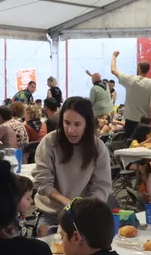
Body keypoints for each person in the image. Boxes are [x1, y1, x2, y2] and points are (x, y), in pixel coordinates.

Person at [32, 96, 111, 232]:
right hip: (51, 213)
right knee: (46, 243)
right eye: (66, 123)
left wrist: (82, 208)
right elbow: (43, 183)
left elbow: (101, 186)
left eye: (77, 124)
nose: (70, 130)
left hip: (84, 214)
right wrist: (67, 203)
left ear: (87, 124)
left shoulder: (98, 147)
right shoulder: (50, 142)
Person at [111, 52, 151, 137]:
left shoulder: (129, 79)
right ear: (148, 70)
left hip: (130, 119)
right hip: (145, 120)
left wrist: (114, 56)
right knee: (144, 142)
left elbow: (113, 70)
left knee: (130, 142)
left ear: (139, 68)